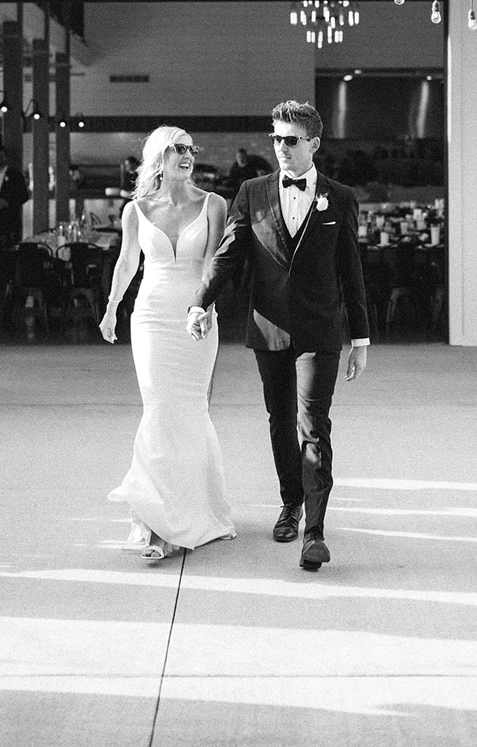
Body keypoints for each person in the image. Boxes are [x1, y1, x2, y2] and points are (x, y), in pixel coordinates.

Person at [187, 99, 369, 572]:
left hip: (320, 329)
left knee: (314, 425)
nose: (281, 148)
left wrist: (362, 339)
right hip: (268, 326)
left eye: (291, 140)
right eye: (276, 139)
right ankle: (291, 502)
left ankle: (315, 532)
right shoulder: (252, 191)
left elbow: (351, 270)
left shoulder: (341, 197)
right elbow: (229, 254)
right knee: (279, 418)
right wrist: (200, 301)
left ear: (313, 143)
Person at [99, 125, 235, 562]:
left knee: (190, 411)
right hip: (153, 316)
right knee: (159, 409)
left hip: (196, 315)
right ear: (158, 156)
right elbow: (126, 264)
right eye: (176, 148)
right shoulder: (135, 209)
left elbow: (215, 264)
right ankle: (156, 523)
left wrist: (207, 310)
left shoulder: (213, 204)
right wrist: (110, 307)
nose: (187, 155)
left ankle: (195, 512)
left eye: (190, 148)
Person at [0, 147, 29, 297]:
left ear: (6, 157)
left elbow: (24, 196)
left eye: (0, 155)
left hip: (8, 219)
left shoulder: (14, 175)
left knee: (8, 253)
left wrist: (8, 202)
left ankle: (9, 285)